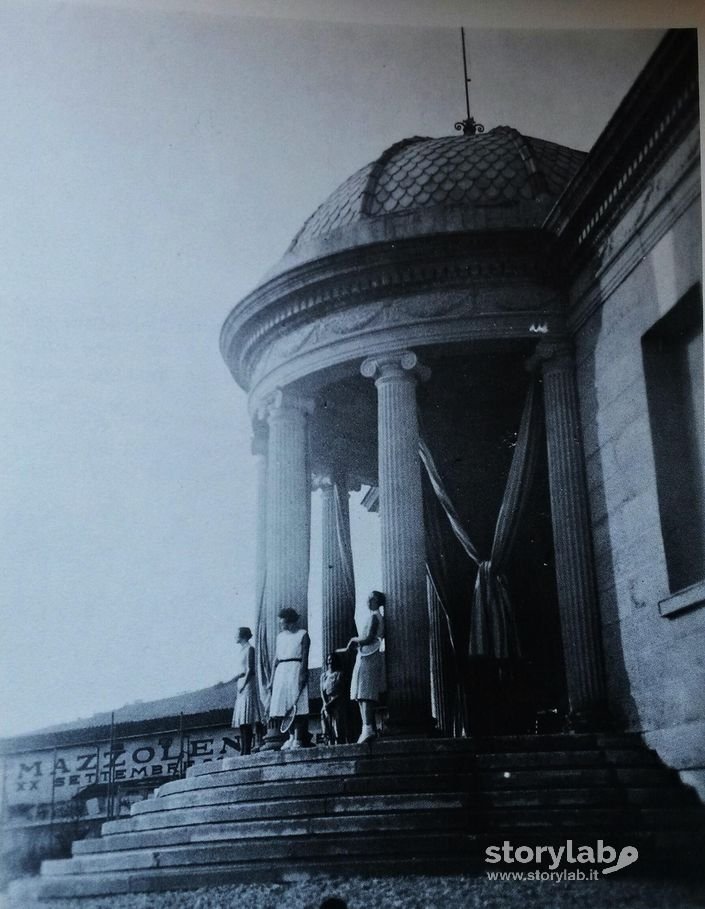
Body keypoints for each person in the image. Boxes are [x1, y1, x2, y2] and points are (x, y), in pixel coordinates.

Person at [343, 590, 386, 743]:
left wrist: (354, 640)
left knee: (365, 693)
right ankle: (366, 727)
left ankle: (368, 728)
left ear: (375, 601)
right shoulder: (374, 616)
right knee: (361, 693)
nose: (367, 601)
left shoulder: (375, 617)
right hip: (365, 656)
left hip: (369, 656)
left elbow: (368, 638)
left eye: (370, 598)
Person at [269, 607, 310, 749]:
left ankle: (298, 739)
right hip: (282, 671)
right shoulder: (280, 637)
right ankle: (291, 736)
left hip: (295, 669)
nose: (282, 625)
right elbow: (276, 658)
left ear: (290, 621)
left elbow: (305, 657)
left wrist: (302, 674)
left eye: (284, 622)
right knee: (284, 706)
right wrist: (271, 679)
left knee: (297, 705)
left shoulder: (303, 635)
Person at [231, 626, 262, 756]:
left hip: (247, 683)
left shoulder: (250, 649)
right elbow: (239, 671)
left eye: (237, 634)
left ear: (242, 636)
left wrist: (244, 683)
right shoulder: (240, 651)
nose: (235, 636)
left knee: (247, 717)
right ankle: (243, 750)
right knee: (242, 720)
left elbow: (250, 669)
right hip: (241, 683)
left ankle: (247, 749)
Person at [320, 652, 348, 745]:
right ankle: (328, 741)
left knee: (338, 725)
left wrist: (331, 703)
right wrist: (325, 703)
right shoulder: (324, 676)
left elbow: (341, 691)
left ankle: (339, 742)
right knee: (326, 723)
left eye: (332, 660)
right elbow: (322, 691)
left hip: (337, 702)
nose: (330, 662)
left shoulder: (339, 674)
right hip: (326, 701)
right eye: (328, 660)